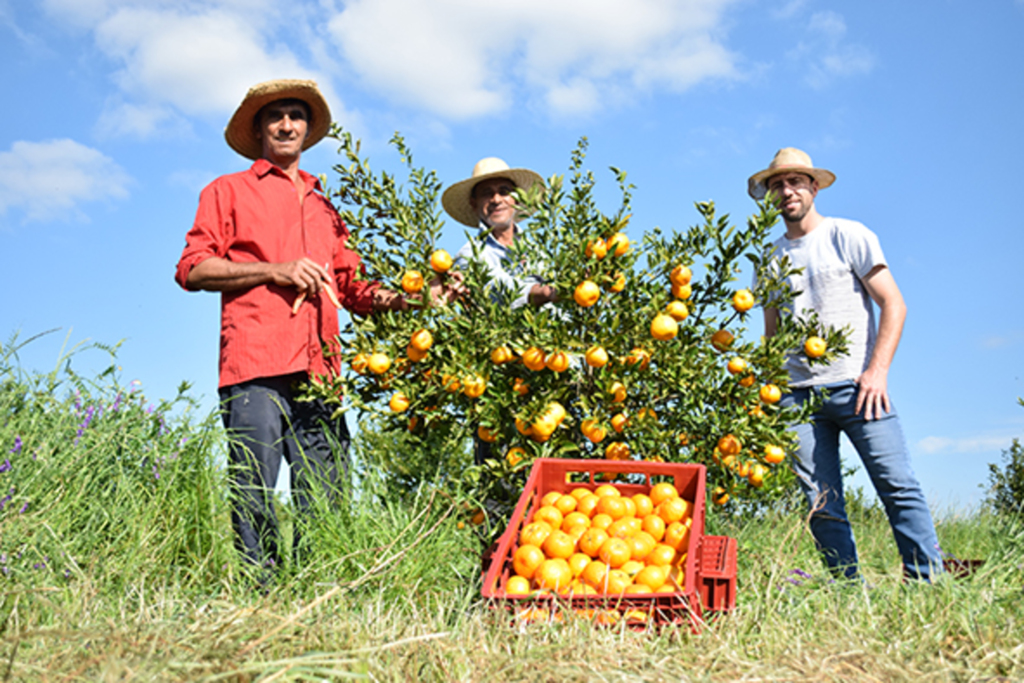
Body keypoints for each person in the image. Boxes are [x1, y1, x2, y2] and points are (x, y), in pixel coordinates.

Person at [175, 79, 450, 580]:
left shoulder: (327, 207)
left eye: (295, 116)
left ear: (306, 129)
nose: (286, 125)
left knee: (326, 493)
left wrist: (417, 299)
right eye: (276, 116)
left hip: (322, 372)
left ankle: (312, 591)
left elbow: (354, 289)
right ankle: (260, 597)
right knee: (253, 488)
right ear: (259, 129)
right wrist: (274, 269)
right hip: (255, 362)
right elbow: (192, 269)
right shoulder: (227, 191)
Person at [750, 147, 943, 581]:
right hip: (797, 397)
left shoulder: (848, 235)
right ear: (769, 195)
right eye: (777, 184)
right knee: (821, 501)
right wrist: (769, 390)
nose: (787, 190)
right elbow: (771, 333)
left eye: (796, 181)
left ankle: (928, 582)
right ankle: (844, 588)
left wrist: (877, 371)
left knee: (897, 485)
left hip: (858, 388)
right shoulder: (768, 259)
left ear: (814, 186)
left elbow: (894, 303)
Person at [442, 157, 555, 465]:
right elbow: (499, 289)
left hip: (544, 369)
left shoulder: (539, 251)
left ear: (516, 199)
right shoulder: (470, 255)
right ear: (476, 204)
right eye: (487, 193)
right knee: (500, 469)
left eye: (504, 190)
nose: (496, 199)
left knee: (549, 466)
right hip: (496, 377)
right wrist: (547, 293)